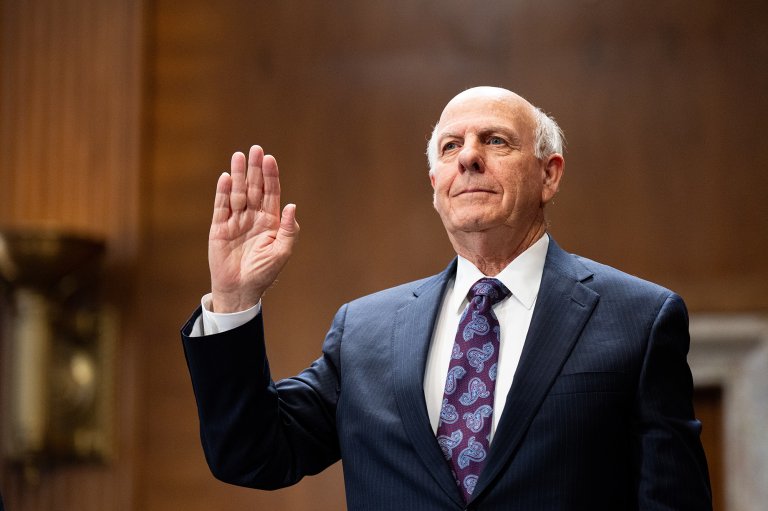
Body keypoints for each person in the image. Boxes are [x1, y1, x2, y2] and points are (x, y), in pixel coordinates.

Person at [181, 86, 712, 510]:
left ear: (549, 175)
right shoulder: (365, 330)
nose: (469, 159)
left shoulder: (639, 318)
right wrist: (233, 299)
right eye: (450, 147)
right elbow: (252, 456)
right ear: (435, 180)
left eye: (496, 141)